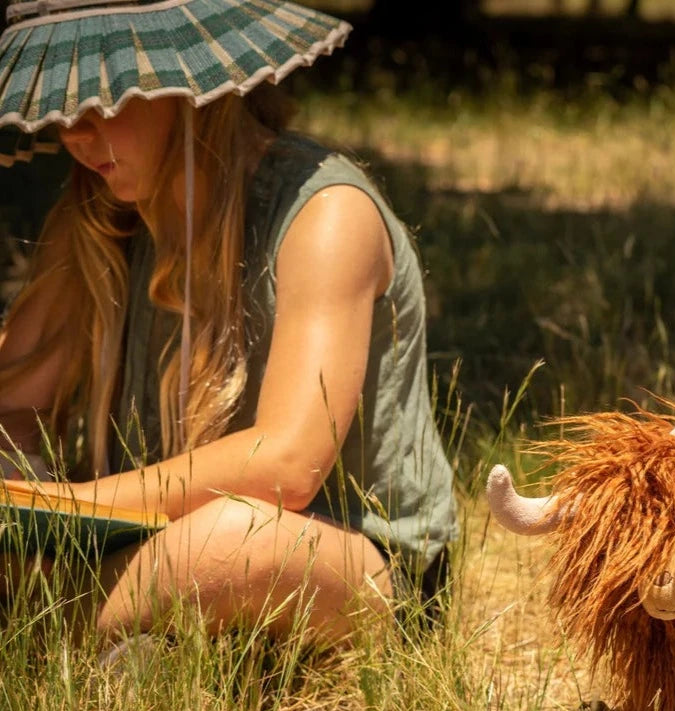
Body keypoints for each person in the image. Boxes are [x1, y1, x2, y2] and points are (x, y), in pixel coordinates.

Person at [0, 0, 457, 651]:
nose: (75, 130)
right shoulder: (98, 217)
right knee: (185, 551)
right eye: (65, 98)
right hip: (151, 535)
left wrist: (79, 506)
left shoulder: (325, 213)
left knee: (222, 544)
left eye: (106, 92)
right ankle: (137, 628)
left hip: (350, 558)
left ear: (184, 83)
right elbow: (13, 400)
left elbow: (288, 461)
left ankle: (65, 625)